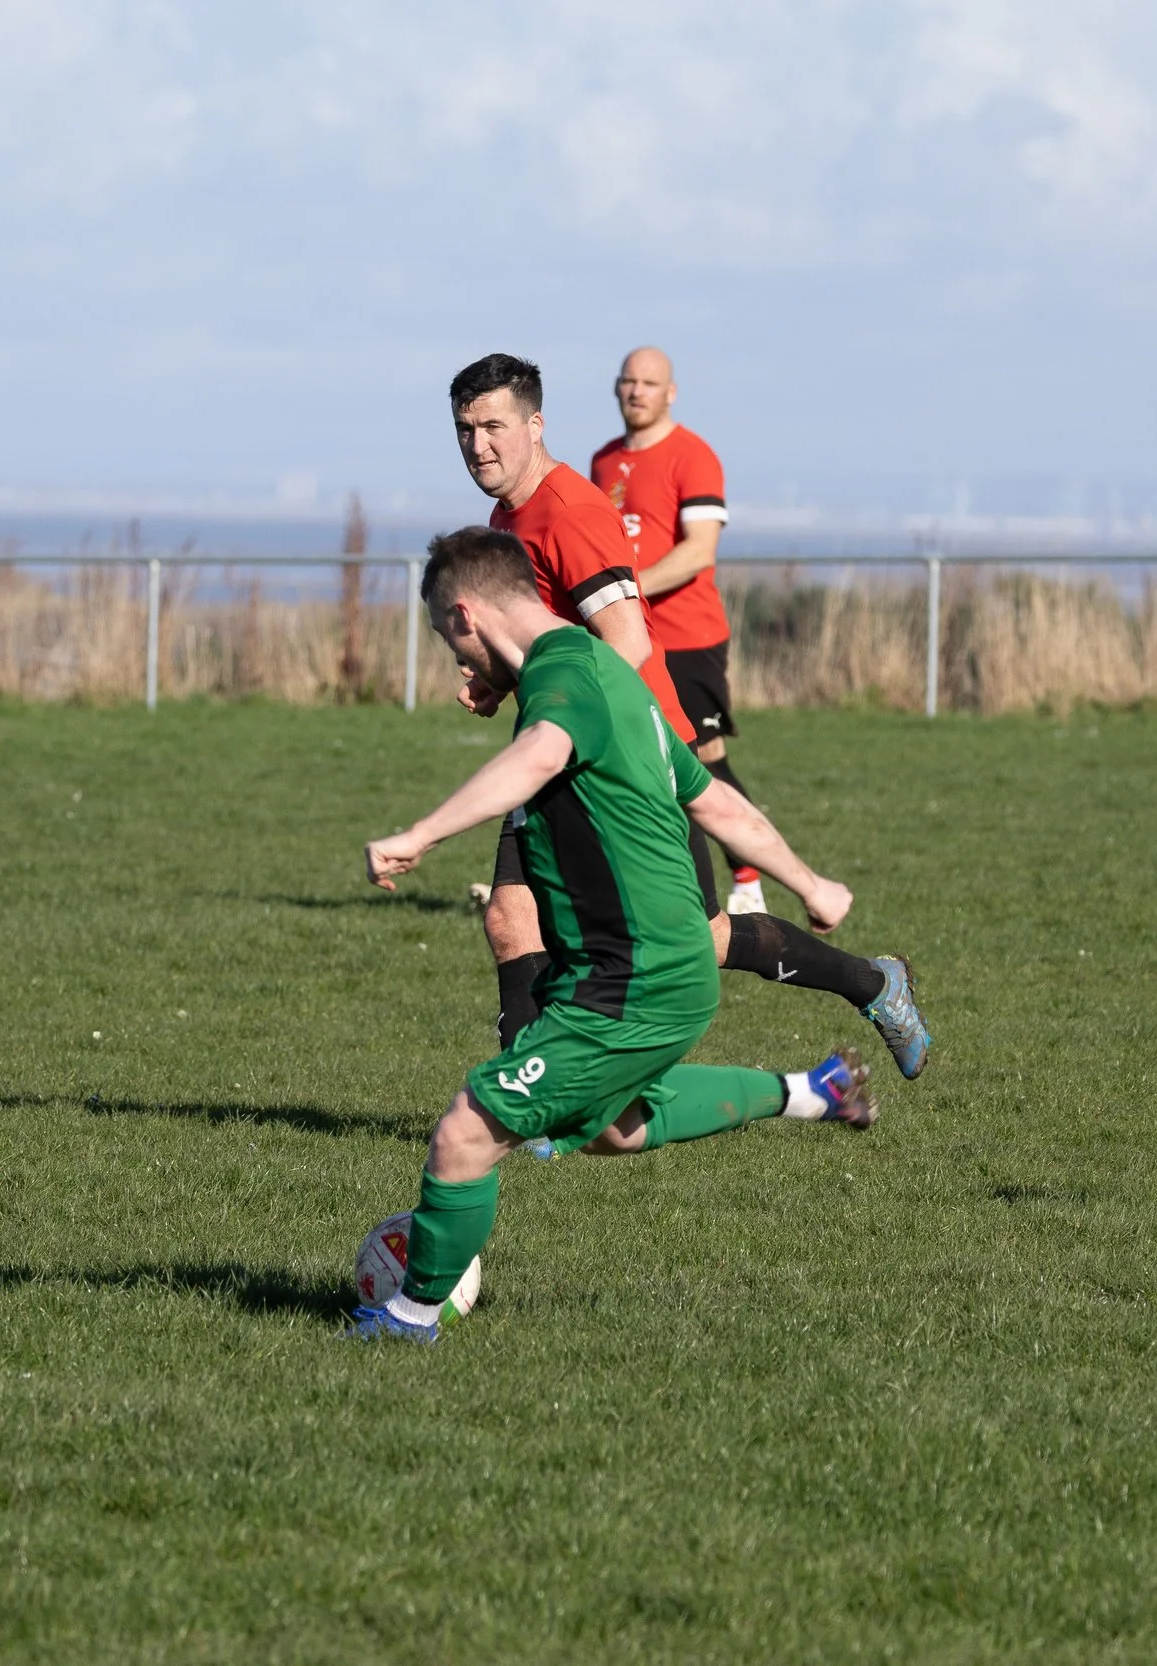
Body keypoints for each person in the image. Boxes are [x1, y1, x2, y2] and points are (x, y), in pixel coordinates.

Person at [352, 528, 878, 1342]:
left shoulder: (564, 686)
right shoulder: (610, 672)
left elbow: (536, 757)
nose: (455, 661)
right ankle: (813, 1090)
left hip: (636, 980)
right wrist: (811, 882)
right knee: (612, 1127)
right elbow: (716, 805)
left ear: (466, 614)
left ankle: (407, 1317)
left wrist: (421, 833)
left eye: (446, 639)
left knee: (466, 1131)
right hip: (644, 972)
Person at [448, 353, 930, 1081]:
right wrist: (499, 678)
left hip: (628, 749)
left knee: (701, 940)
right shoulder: (506, 515)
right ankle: (526, 1104)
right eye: (465, 429)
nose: (479, 445)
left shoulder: (570, 511)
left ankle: (873, 983)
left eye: (494, 426)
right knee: (510, 920)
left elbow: (628, 641)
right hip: (560, 749)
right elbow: (552, 640)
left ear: (534, 424)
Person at [591, 346, 764, 915]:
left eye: (649, 382)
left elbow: (698, 552)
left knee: (704, 758)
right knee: (629, 760)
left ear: (671, 392)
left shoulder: (693, 456)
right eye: (628, 380)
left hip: (687, 637)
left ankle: (748, 884)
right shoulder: (604, 462)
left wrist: (628, 588)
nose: (636, 390)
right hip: (624, 638)